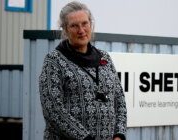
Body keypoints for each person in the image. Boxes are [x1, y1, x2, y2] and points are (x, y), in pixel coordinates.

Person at [39, 1, 127, 140]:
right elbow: (52, 109)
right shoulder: (54, 60)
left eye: (84, 23)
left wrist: (119, 135)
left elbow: (119, 100)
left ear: (91, 24)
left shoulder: (105, 58)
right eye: (74, 26)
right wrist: (85, 138)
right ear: (65, 29)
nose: (81, 30)